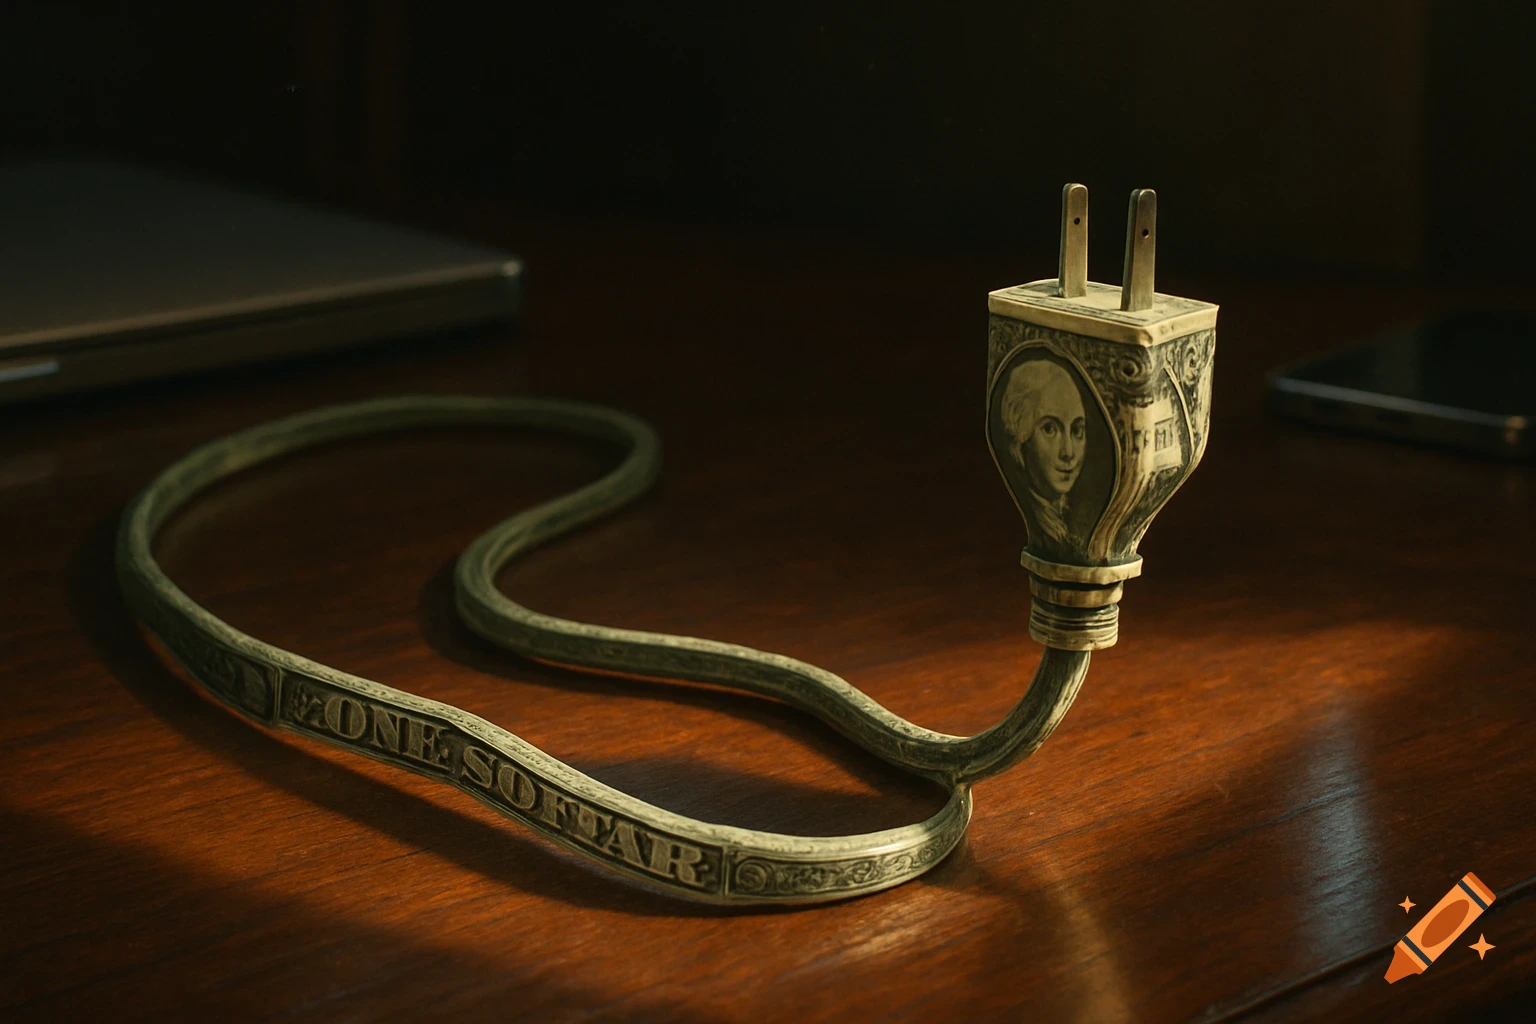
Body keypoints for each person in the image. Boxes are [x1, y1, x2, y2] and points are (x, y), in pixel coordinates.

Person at [999, 359, 1086, 546]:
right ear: (1022, 436)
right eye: (1049, 429)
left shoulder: (1070, 517)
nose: (1068, 452)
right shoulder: (1024, 517)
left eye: (1077, 430)